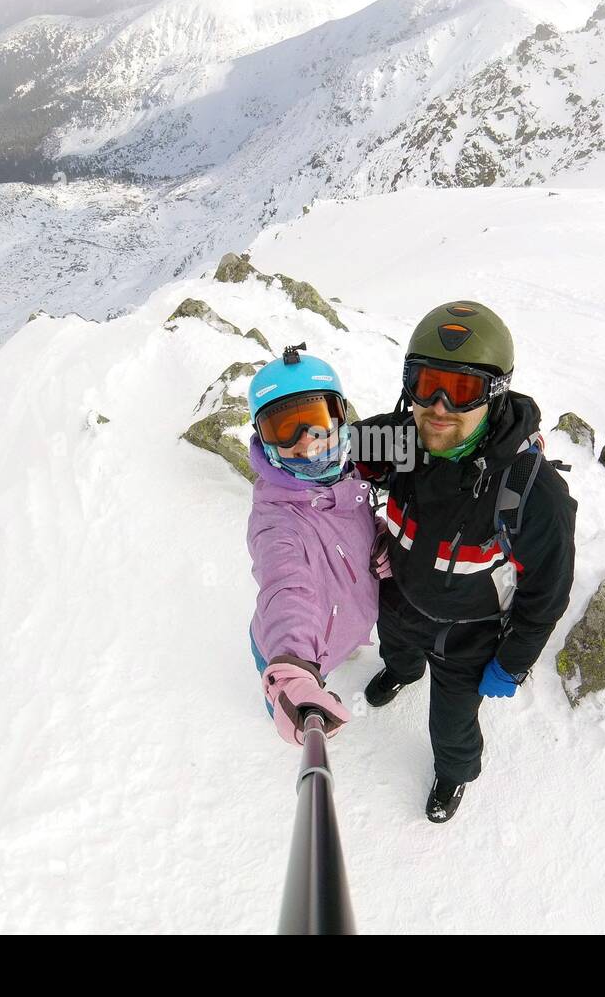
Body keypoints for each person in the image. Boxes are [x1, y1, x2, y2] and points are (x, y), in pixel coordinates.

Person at [356, 302, 577, 823]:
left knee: (452, 726)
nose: (437, 406)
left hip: (469, 635)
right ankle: (401, 671)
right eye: (425, 383)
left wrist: (514, 661)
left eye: (461, 391)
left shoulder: (529, 491)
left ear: (494, 395)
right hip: (403, 600)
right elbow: (331, 451)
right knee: (399, 650)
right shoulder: (407, 442)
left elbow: (546, 594)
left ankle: (454, 775)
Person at [246, 343, 383, 746]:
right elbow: (286, 585)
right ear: (264, 439)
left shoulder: (346, 473)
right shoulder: (277, 520)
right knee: (288, 698)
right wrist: (290, 669)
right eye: (282, 428)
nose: (306, 441)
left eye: (317, 421)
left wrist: (378, 539)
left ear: (342, 417)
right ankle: (277, 702)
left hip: (339, 628)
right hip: (291, 649)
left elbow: (424, 439)